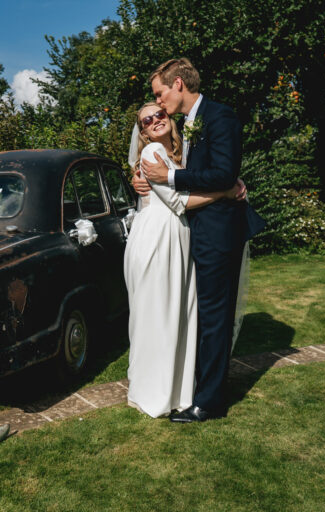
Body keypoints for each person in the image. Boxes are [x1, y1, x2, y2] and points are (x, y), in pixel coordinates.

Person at [135, 58, 265, 422]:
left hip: (218, 233)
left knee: (214, 317)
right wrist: (148, 181)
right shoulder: (189, 125)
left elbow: (223, 172)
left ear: (178, 84)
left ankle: (209, 402)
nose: (159, 103)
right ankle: (200, 387)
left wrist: (171, 178)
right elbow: (206, 174)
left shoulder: (219, 116)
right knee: (205, 315)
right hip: (200, 231)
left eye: (160, 94)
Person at [124, 102, 241, 418]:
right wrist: (226, 191)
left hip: (176, 237)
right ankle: (157, 391)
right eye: (147, 121)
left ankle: (176, 387)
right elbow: (178, 202)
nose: (155, 120)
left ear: (169, 118)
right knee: (159, 315)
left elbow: (188, 181)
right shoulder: (152, 156)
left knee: (174, 314)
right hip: (157, 240)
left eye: (159, 114)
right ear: (144, 133)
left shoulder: (178, 156)